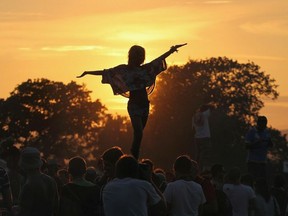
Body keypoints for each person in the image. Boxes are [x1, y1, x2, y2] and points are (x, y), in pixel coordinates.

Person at [77, 43, 187, 160]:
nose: (140, 58)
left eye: (141, 56)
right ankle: (133, 157)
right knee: (138, 132)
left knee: (139, 135)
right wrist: (88, 72)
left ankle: (135, 157)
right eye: (138, 55)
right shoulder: (124, 70)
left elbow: (159, 59)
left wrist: (171, 50)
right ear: (132, 56)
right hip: (134, 105)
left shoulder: (145, 69)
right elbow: (107, 72)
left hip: (145, 104)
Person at [102, 155, 167, 216]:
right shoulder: (143, 185)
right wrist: (149, 180)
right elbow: (163, 208)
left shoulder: (107, 188)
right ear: (136, 170)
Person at [17, 147, 59, 216]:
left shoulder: (28, 186)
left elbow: (24, 213)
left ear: (23, 165)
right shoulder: (51, 181)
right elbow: (56, 207)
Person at [245, 116, 274, 181]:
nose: (263, 126)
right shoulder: (251, 132)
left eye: (265, 124)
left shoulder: (266, 132)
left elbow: (271, 145)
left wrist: (270, 142)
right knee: (252, 179)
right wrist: (257, 143)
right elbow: (247, 146)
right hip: (253, 161)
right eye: (262, 124)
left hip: (262, 162)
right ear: (258, 123)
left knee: (262, 181)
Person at [192, 103, 215, 171]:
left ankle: (196, 168)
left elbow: (192, 128)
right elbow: (212, 107)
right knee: (206, 154)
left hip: (197, 137)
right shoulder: (205, 114)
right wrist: (208, 106)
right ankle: (206, 169)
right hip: (205, 137)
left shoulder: (194, 116)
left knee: (198, 154)